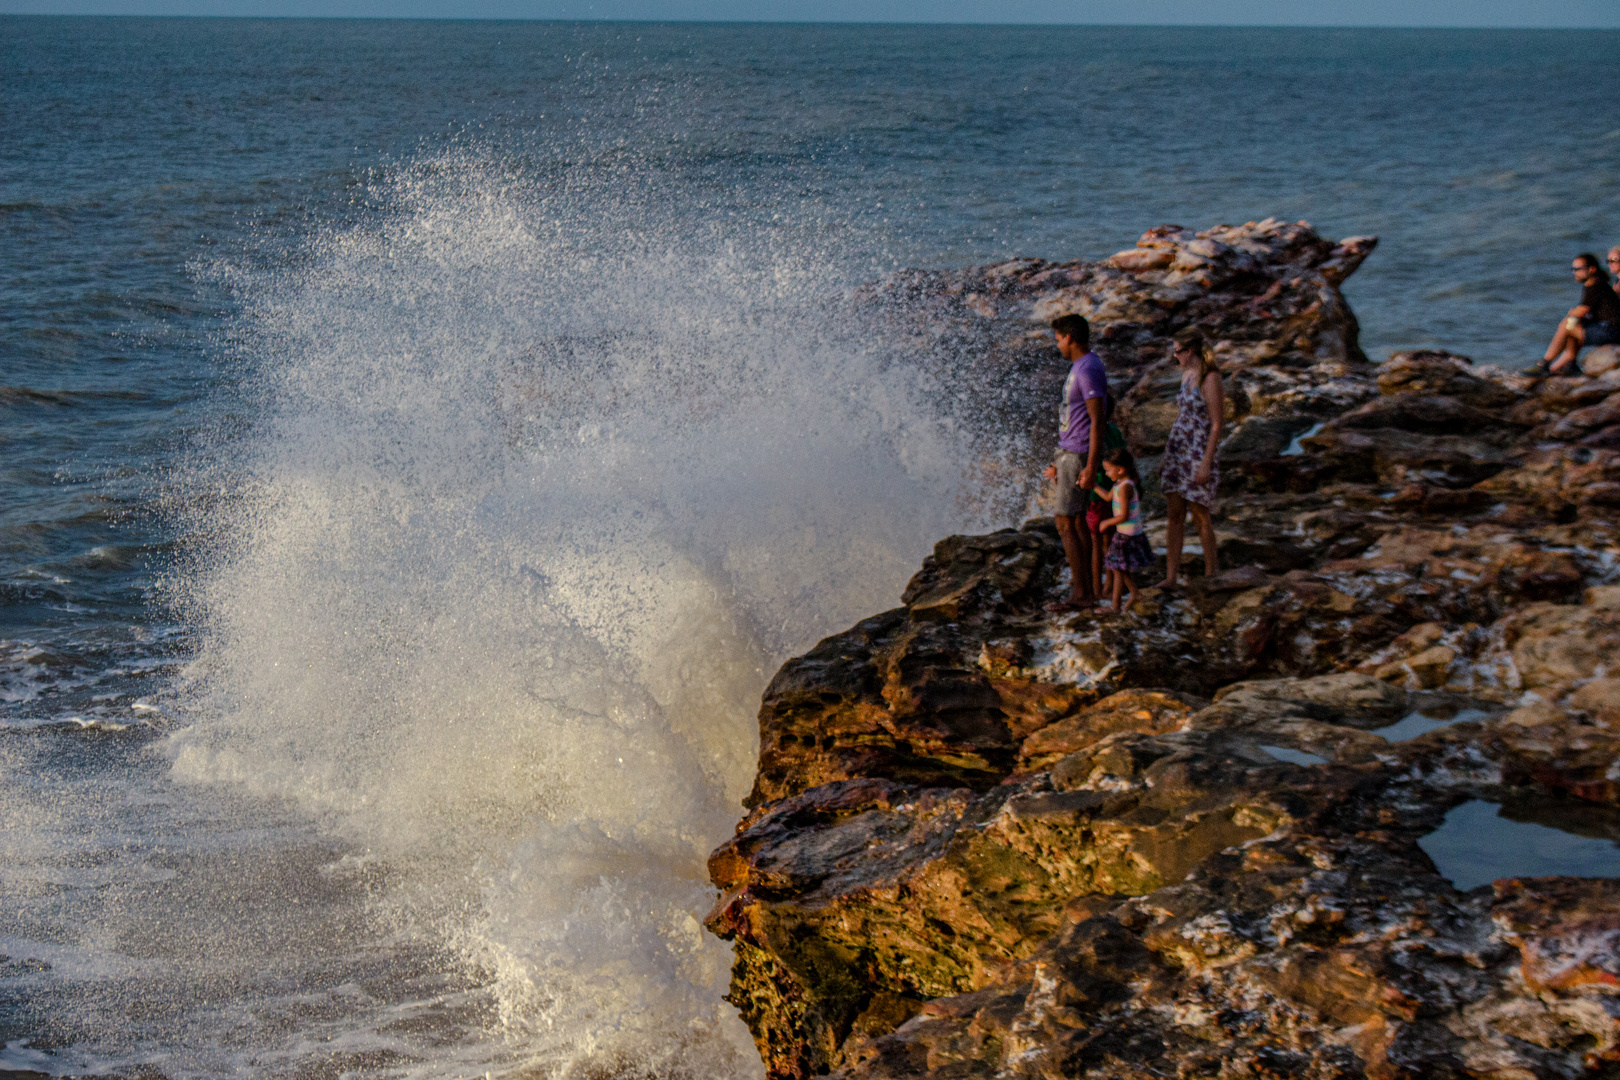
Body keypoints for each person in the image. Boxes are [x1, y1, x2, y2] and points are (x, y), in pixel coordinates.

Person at [1040, 313, 1108, 611]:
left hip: (1077, 454)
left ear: (1069, 337)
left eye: (1058, 340)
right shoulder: (1081, 367)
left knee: (1064, 521)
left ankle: (1082, 594)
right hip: (1068, 452)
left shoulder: (1088, 368)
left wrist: (1091, 466)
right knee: (1076, 521)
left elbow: (1098, 420)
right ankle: (1087, 590)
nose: (1058, 346)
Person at [1158, 332, 1224, 588]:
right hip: (1179, 447)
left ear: (1191, 351)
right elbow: (1181, 416)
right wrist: (1167, 454)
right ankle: (1170, 577)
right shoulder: (1186, 376)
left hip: (1198, 449)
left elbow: (1217, 423)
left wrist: (1206, 462)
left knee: (1200, 514)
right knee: (1174, 514)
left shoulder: (1210, 378)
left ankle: (1211, 574)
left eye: (1178, 351)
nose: (1175, 356)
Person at [1529, 253, 1620, 376]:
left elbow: (1581, 311)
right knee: (1573, 323)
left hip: (1611, 331)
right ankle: (1566, 364)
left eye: (1578, 269)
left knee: (1568, 324)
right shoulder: (1597, 284)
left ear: (1591, 269)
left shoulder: (1595, 286)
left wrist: (1573, 313)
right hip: (1608, 329)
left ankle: (1545, 363)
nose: (1574, 272)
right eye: (1573, 269)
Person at [1090, 446, 1152, 614]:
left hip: (1127, 533)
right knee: (1119, 566)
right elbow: (1108, 497)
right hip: (1126, 532)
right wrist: (1093, 486)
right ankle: (1135, 593)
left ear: (1120, 469)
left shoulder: (1125, 487)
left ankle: (1115, 606)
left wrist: (1107, 522)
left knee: (1117, 567)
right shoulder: (1119, 483)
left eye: (1108, 470)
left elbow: (1123, 515)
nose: (1107, 474)